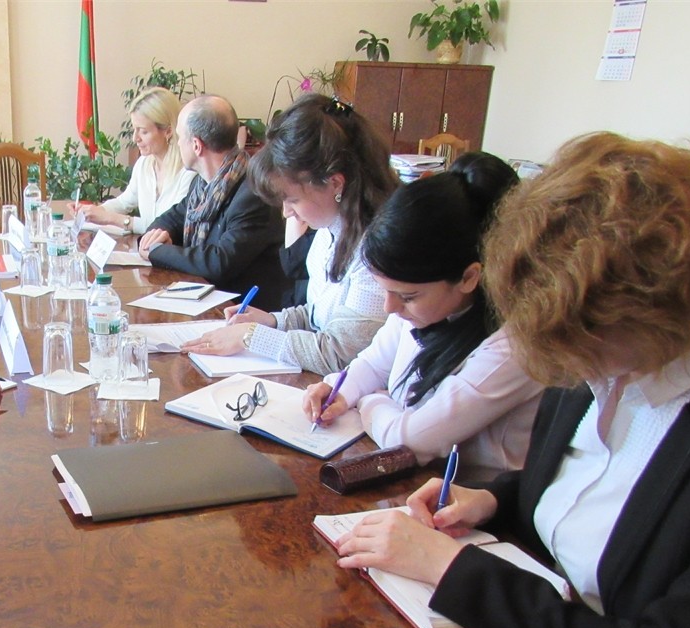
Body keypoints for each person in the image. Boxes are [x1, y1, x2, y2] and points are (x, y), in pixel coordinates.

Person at [330, 133, 690, 628]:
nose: (571, 370)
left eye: (586, 349)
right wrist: (495, 502)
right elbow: (600, 495)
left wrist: (452, 569)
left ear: (652, 315)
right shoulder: (601, 361)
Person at [301, 152, 540, 479]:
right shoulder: (424, 310)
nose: (389, 308)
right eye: (386, 290)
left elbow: (408, 441)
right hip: (416, 482)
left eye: (407, 296)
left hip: (465, 499)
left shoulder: (511, 349)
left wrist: (370, 401)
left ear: (469, 278)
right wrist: (339, 390)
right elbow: (373, 363)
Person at [180, 94, 397, 374]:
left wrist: (252, 337)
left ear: (335, 183)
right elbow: (319, 316)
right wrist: (273, 321)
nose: (286, 212)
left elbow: (341, 353)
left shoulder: (375, 251)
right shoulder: (330, 228)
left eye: (292, 200)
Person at [138, 94, 290, 311]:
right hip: (205, 302)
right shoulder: (202, 185)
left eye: (179, 137)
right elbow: (170, 219)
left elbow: (218, 263)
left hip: (243, 314)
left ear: (196, 145)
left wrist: (156, 250)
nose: (176, 143)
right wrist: (155, 238)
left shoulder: (253, 193)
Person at [72, 87, 195, 235]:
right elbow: (124, 202)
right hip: (145, 247)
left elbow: (170, 228)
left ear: (168, 131)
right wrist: (93, 211)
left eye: (143, 131)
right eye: (134, 130)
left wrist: (113, 219)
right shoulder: (144, 164)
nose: (135, 138)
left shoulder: (189, 172)